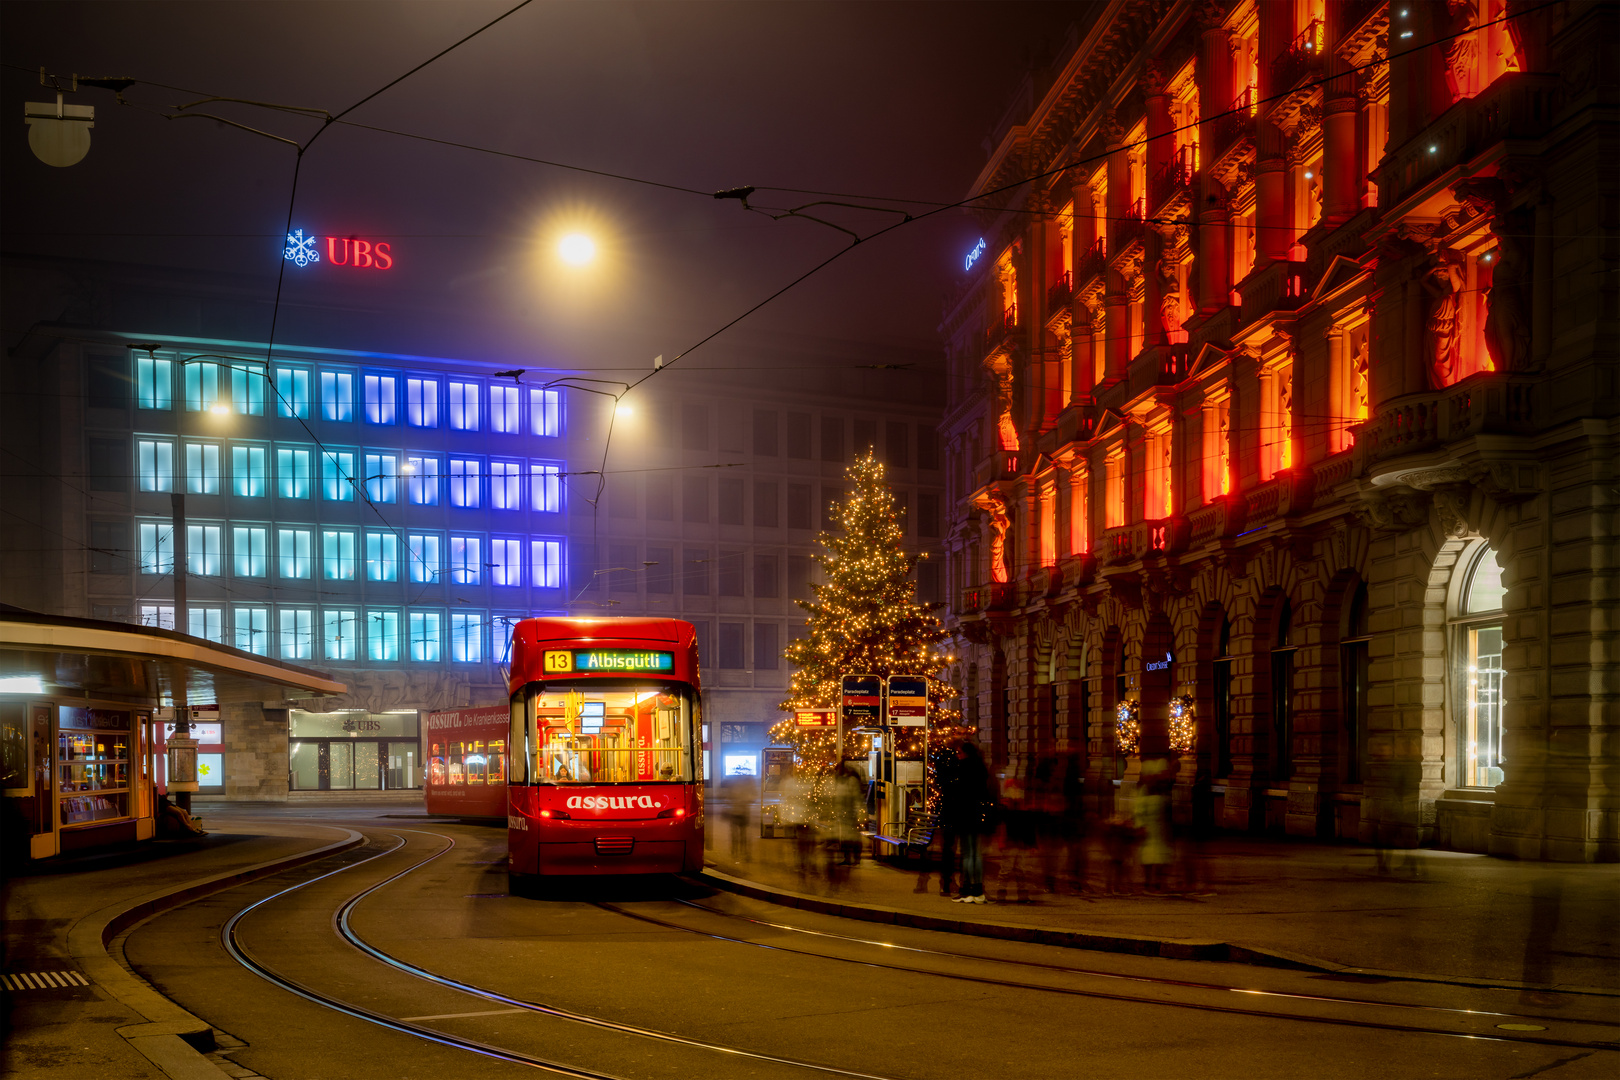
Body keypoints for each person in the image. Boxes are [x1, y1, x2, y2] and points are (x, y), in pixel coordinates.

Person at [941, 741, 992, 903]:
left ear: (965, 754)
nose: (957, 755)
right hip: (977, 814)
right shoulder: (981, 768)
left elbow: (956, 793)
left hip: (964, 815)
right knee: (976, 853)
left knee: (967, 853)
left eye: (959, 752)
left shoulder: (962, 769)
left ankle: (968, 889)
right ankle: (978, 889)